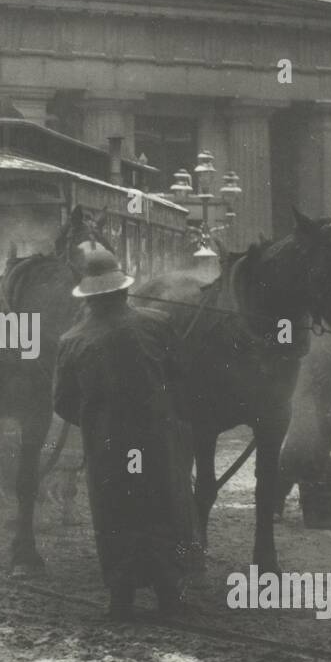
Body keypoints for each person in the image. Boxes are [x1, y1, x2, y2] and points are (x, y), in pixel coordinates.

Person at [53, 250, 199, 620]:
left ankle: (121, 598)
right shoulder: (158, 323)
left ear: (88, 297)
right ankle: (170, 596)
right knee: (164, 508)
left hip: (108, 445)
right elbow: (183, 376)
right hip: (158, 440)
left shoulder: (71, 340)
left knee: (115, 513)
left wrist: (95, 421)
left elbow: (63, 403)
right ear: (122, 290)